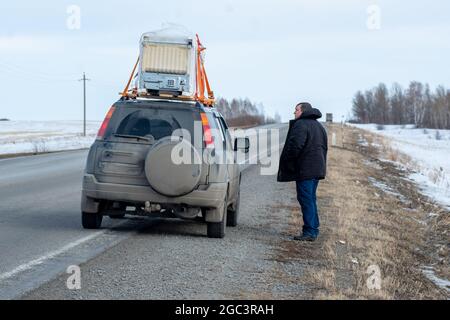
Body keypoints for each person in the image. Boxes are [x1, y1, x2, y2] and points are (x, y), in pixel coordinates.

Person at [277, 102, 328, 241]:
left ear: (303, 111)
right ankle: (313, 229)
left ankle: (310, 232)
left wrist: (288, 161)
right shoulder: (318, 125)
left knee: (306, 199)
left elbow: (294, 146)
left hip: (306, 170)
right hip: (317, 169)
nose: (294, 112)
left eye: (296, 110)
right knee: (310, 199)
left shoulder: (301, 125)